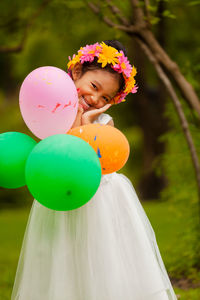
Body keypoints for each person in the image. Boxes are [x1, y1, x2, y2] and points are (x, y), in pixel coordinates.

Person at [11, 40, 177, 300]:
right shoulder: (52, 112)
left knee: (101, 254)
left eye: (105, 98)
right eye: (94, 87)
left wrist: (86, 125)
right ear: (77, 72)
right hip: (59, 197)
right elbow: (55, 155)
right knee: (62, 257)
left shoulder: (103, 122)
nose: (95, 99)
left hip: (99, 200)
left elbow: (96, 158)